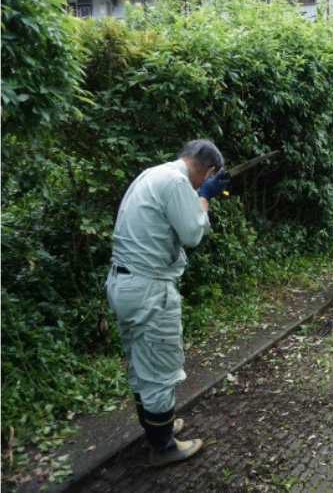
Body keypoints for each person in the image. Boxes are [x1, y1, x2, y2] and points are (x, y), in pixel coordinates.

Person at [105, 139, 230, 466]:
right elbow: (192, 234)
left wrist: (199, 195)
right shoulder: (177, 182)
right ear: (209, 171)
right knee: (159, 366)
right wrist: (204, 197)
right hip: (149, 288)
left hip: (123, 283)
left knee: (139, 360)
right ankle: (163, 446)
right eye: (209, 178)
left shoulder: (152, 174)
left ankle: (155, 424)